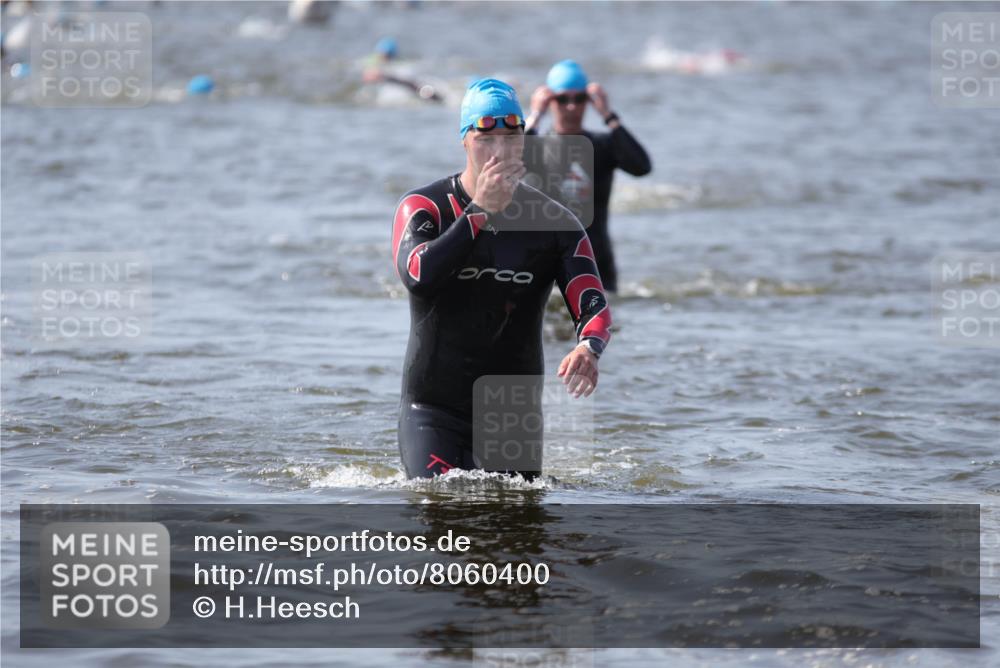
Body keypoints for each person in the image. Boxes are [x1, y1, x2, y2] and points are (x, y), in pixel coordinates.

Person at [392, 78, 612, 479]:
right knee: (443, 514)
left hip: (513, 414)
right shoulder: (425, 207)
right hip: (433, 410)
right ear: (464, 140)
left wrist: (588, 348)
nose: (500, 150)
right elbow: (418, 275)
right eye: (485, 138)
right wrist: (479, 212)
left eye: (512, 136)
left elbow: (593, 306)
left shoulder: (557, 224)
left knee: (516, 532)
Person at [523, 59, 651, 292]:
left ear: (588, 101)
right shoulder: (536, 147)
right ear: (550, 101)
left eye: (579, 99)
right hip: (545, 265)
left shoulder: (602, 145)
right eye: (562, 99)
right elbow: (506, 163)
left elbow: (642, 166)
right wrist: (534, 116)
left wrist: (608, 115)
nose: (571, 106)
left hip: (596, 262)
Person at [362, 36, 442, 102]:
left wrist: (382, 76)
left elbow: (409, 82)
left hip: (410, 86)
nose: (384, 57)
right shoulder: (370, 62)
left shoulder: (401, 67)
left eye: (387, 55)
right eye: (382, 55)